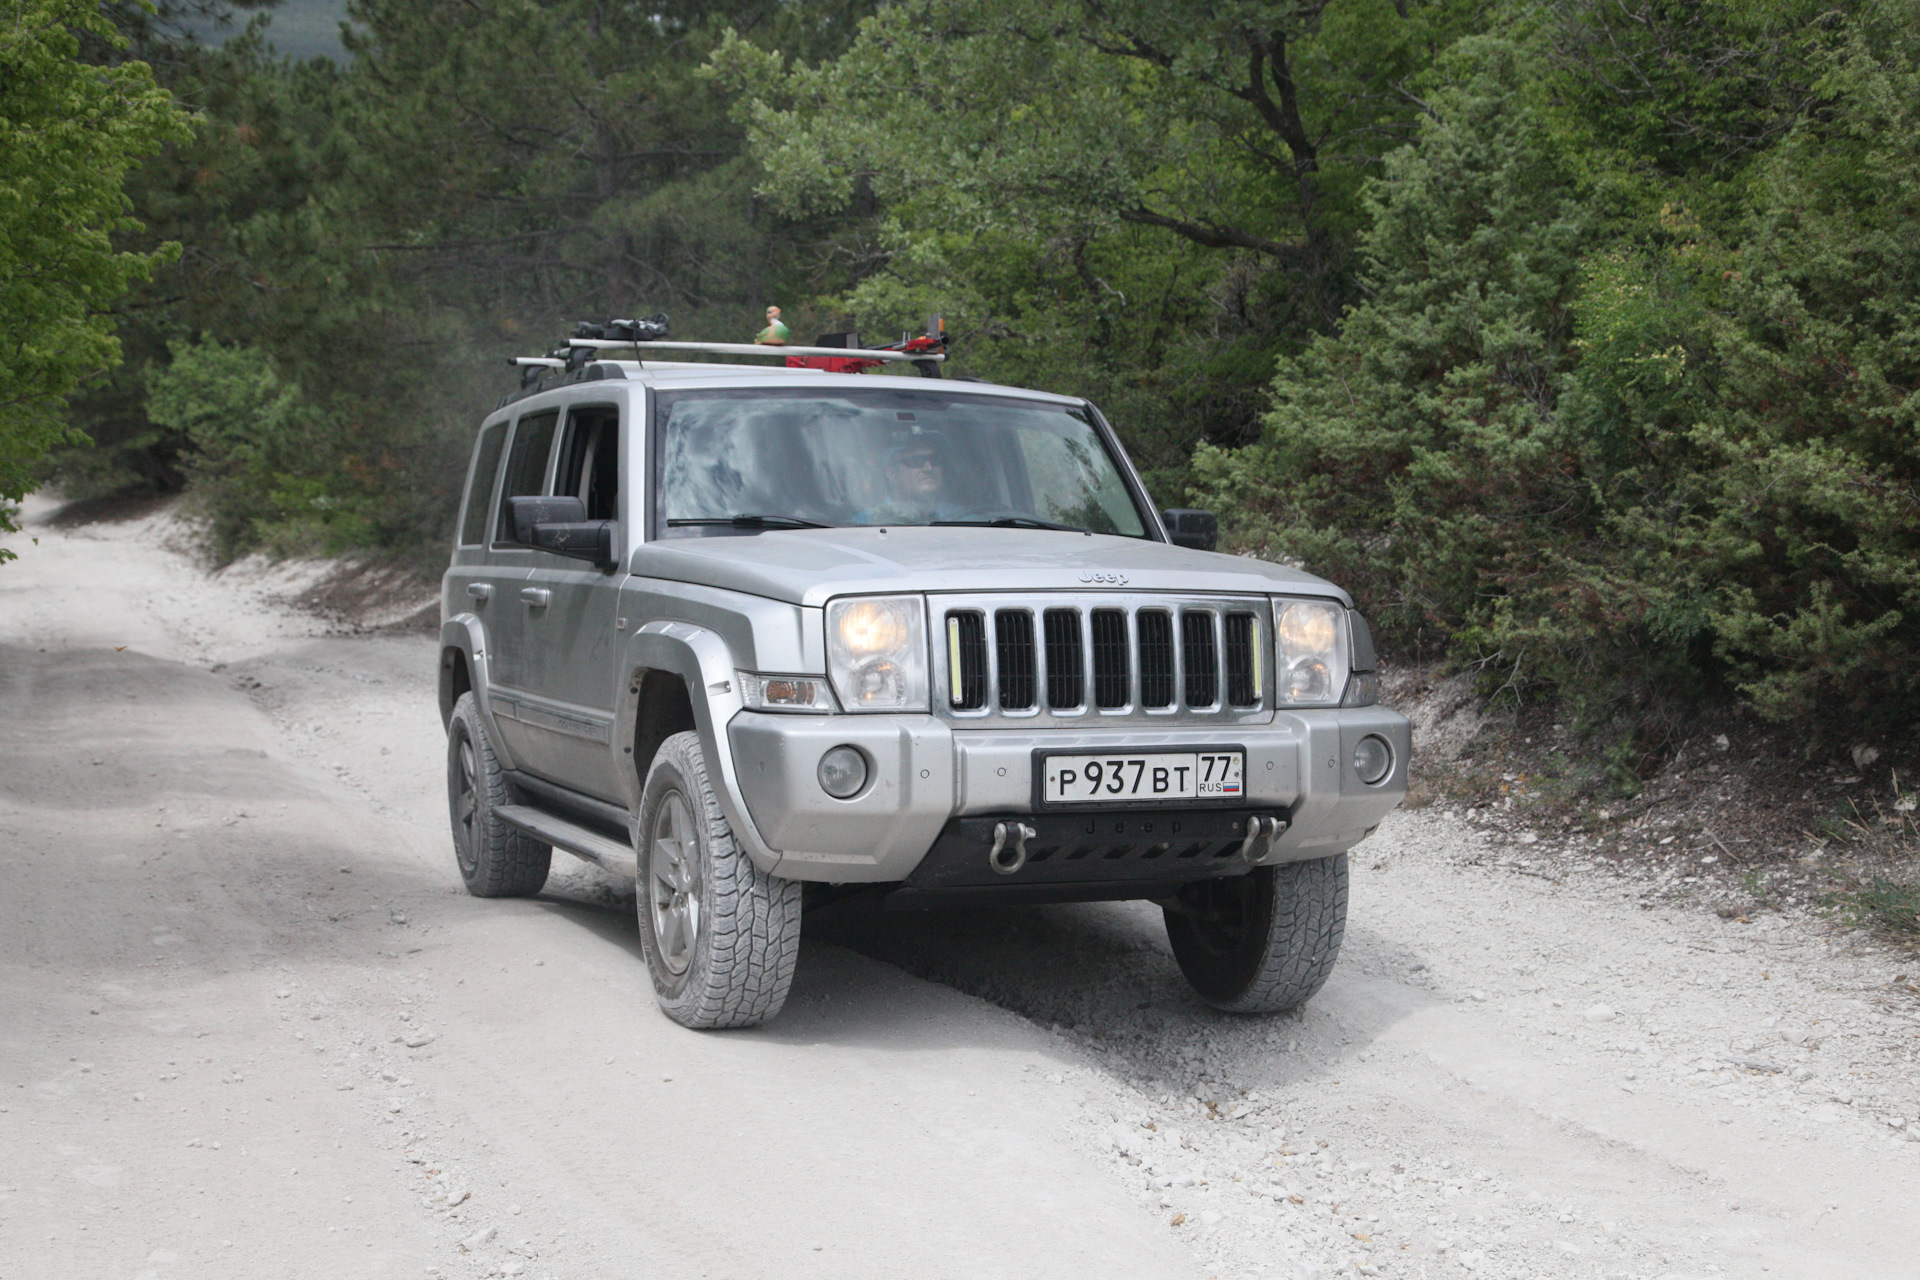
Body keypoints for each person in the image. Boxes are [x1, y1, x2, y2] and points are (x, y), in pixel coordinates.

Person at [853, 433, 966, 524]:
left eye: (935, 459)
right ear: (891, 473)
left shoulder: (964, 517)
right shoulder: (865, 522)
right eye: (916, 461)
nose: (928, 468)